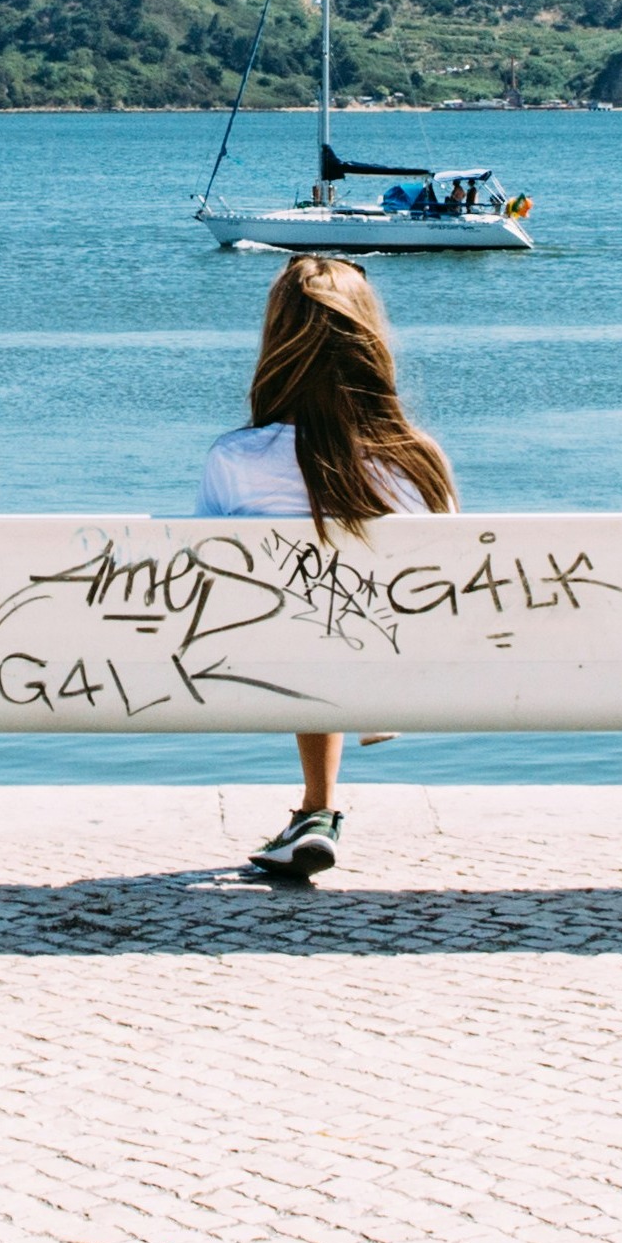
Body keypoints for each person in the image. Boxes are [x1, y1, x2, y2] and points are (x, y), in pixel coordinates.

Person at [198, 253, 458, 884]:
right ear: (371, 345)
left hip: (270, 661)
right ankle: (318, 809)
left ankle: (318, 808)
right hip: (397, 657)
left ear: (277, 344)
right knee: (333, 618)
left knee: (304, 621)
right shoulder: (420, 461)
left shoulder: (237, 459)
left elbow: (203, 579)